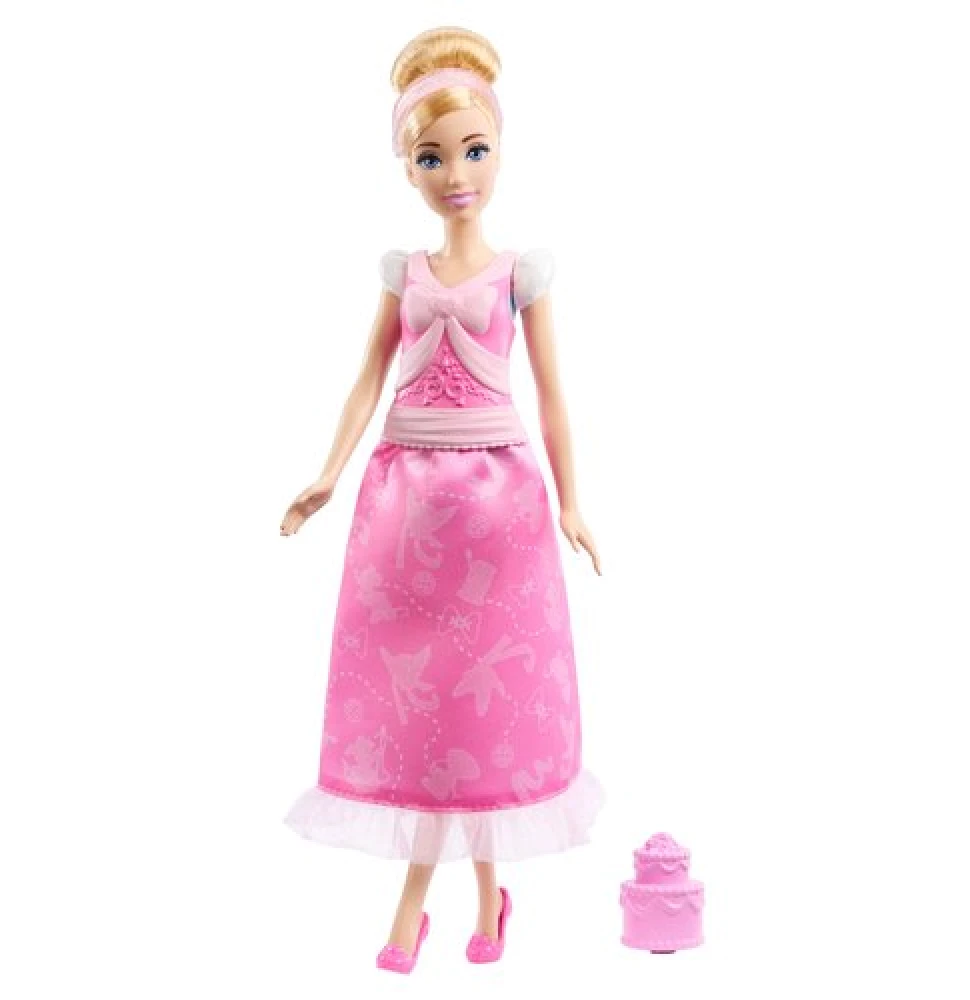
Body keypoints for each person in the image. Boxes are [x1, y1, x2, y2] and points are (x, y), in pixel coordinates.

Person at [280, 25, 605, 973]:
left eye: (472, 150)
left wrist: (573, 503)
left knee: (485, 713)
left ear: (500, 151)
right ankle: (427, 901)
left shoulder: (520, 275)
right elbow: (366, 379)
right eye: (431, 156)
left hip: (501, 509)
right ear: (407, 166)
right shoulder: (405, 274)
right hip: (406, 506)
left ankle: (477, 898)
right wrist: (329, 471)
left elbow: (553, 394)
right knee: (416, 708)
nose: (455, 173)